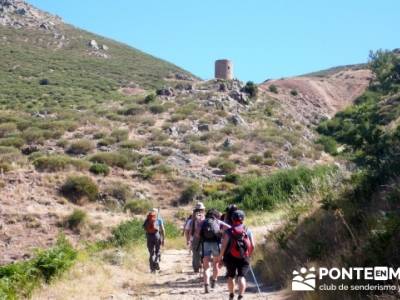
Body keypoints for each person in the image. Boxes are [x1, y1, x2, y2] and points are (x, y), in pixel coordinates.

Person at [219, 210, 254, 300]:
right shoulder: (248, 230)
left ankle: (231, 295)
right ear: (243, 219)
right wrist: (248, 255)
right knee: (241, 276)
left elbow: (223, 247)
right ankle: (240, 296)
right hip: (244, 257)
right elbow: (252, 245)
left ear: (232, 219)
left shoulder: (228, 232)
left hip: (230, 257)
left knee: (231, 276)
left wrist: (220, 258)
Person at [200, 208, 231, 293]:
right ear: (216, 214)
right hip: (216, 244)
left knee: (206, 267)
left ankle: (206, 285)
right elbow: (229, 227)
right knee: (215, 264)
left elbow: (197, 233)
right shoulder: (217, 221)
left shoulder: (204, 221)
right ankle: (214, 280)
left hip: (205, 244)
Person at [184, 202, 206, 273]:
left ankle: (196, 269)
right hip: (204, 239)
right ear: (203, 210)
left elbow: (186, 231)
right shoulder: (205, 219)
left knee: (195, 254)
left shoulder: (191, 220)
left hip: (194, 239)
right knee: (204, 254)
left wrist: (187, 240)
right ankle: (202, 268)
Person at [143, 208, 165, 273]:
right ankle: (157, 261)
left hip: (149, 236)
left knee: (151, 253)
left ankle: (152, 270)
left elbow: (145, 228)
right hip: (156, 236)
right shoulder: (159, 219)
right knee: (157, 251)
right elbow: (163, 229)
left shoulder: (148, 219)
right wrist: (163, 238)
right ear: (157, 212)